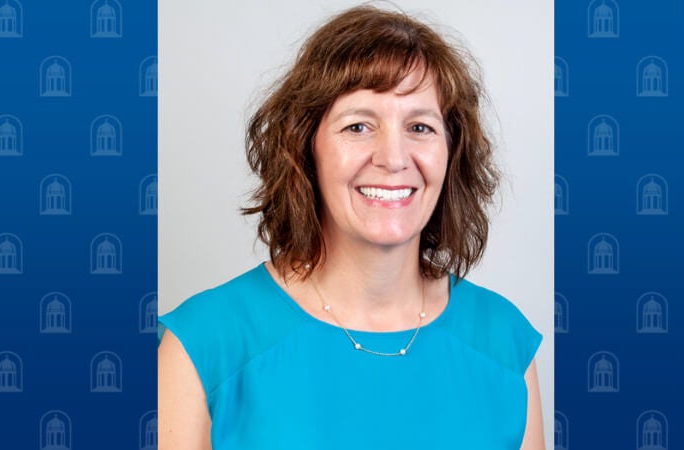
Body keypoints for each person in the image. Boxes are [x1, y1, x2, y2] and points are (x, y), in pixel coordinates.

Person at [159, 5, 544, 449]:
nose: (394, 157)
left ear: (450, 154)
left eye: (420, 126)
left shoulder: (505, 343)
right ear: (306, 148)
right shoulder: (205, 345)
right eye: (358, 126)